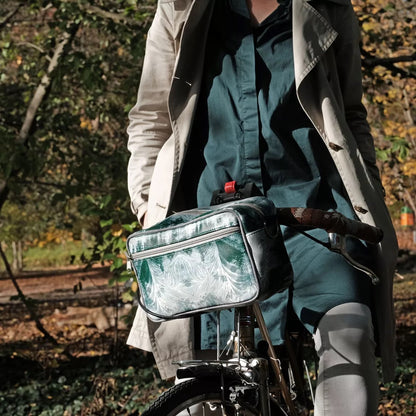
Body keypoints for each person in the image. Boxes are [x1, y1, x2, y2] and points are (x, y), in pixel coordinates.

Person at [126, 0, 398, 414]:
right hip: (210, 230)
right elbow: (150, 120)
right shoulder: (180, 11)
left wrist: (369, 189)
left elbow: (350, 114)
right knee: (201, 391)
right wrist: (149, 208)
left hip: (313, 219)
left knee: (349, 334)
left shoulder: (327, 8)